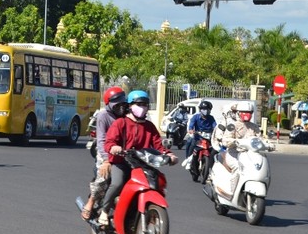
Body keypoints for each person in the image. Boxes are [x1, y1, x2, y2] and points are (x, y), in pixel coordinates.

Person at [98, 90, 178, 226]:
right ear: (130, 105)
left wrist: (169, 155)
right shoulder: (120, 123)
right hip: (121, 162)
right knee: (117, 183)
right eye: (138, 104)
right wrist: (113, 148)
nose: (142, 107)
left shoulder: (149, 127)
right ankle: (104, 211)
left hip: (141, 164)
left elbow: (158, 145)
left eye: (145, 104)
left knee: (157, 183)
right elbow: (109, 142)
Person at [80, 86, 128, 221]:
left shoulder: (126, 115)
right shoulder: (103, 115)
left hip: (124, 153)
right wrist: (107, 160)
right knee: (104, 175)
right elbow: (101, 140)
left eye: (122, 102)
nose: (120, 106)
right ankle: (90, 203)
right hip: (105, 152)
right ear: (109, 103)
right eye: (117, 103)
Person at [213, 101, 261, 194]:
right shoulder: (232, 126)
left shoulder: (254, 127)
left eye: (249, 113)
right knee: (238, 168)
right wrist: (234, 141)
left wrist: (268, 144)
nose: (247, 115)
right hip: (234, 153)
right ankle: (232, 191)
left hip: (250, 155)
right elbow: (225, 139)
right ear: (238, 113)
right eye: (244, 112)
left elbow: (260, 139)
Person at [184, 100, 217, 165]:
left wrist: (218, 131)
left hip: (208, 137)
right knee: (189, 142)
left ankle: (213, 164)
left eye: (207, 109)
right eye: (204, 109)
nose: (206, 111)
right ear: (200, 109)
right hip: (198, 137)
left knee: (216, 148)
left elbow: (215, 126)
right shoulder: (195, 117)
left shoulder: (211, 118)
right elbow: (191, 125)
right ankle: (188, 159)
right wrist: (191, 130)